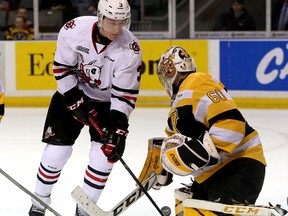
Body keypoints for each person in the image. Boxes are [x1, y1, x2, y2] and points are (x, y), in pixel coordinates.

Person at [28, 0, 142, 215]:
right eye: (112, 22)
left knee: (103, 158)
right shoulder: (74, 30)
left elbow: (124, 95)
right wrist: (73, 99)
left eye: (122, 22)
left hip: (107, 104)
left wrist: (118, 128)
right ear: (100, 17)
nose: (117, 28)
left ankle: (85, 210)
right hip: (71, 93)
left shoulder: (130, 49)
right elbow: (63, 68)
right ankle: (39, 202)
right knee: (56, 152)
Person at [138, 46, 266, 215]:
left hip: (238, 166)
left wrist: (204, 152)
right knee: (186, 206)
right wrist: (162, 166)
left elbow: (232, 125)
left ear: (170, 71)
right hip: (214, 174)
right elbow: (174, 139)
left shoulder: (198, 82)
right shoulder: (179, 103)